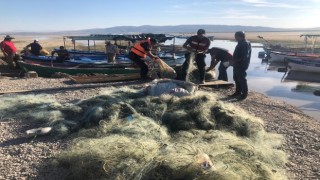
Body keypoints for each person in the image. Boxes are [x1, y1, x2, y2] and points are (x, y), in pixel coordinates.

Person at [230, 31, 252, 100]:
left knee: (242, 79)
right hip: (237, 64)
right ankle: (238, 92)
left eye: (236, 36)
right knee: (236, 78)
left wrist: (235, 61)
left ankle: (244, 94)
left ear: (240, 36)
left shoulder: (245, 44)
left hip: (241, 65)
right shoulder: (241, 43)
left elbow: (245, 56)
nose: (235, 38)